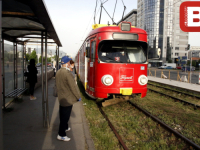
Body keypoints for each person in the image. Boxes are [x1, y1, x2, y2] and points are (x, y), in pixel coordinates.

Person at [56, 56, 81, 141]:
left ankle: (65, 128)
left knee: (62, 115)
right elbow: (73, 87)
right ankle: (61, 134)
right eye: (70, 63)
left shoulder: (58, 72)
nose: (70, 64)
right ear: (67, 63)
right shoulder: (67, 74)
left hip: (61, 98)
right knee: (65, 117)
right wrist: (78, 97)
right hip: (67, 99)